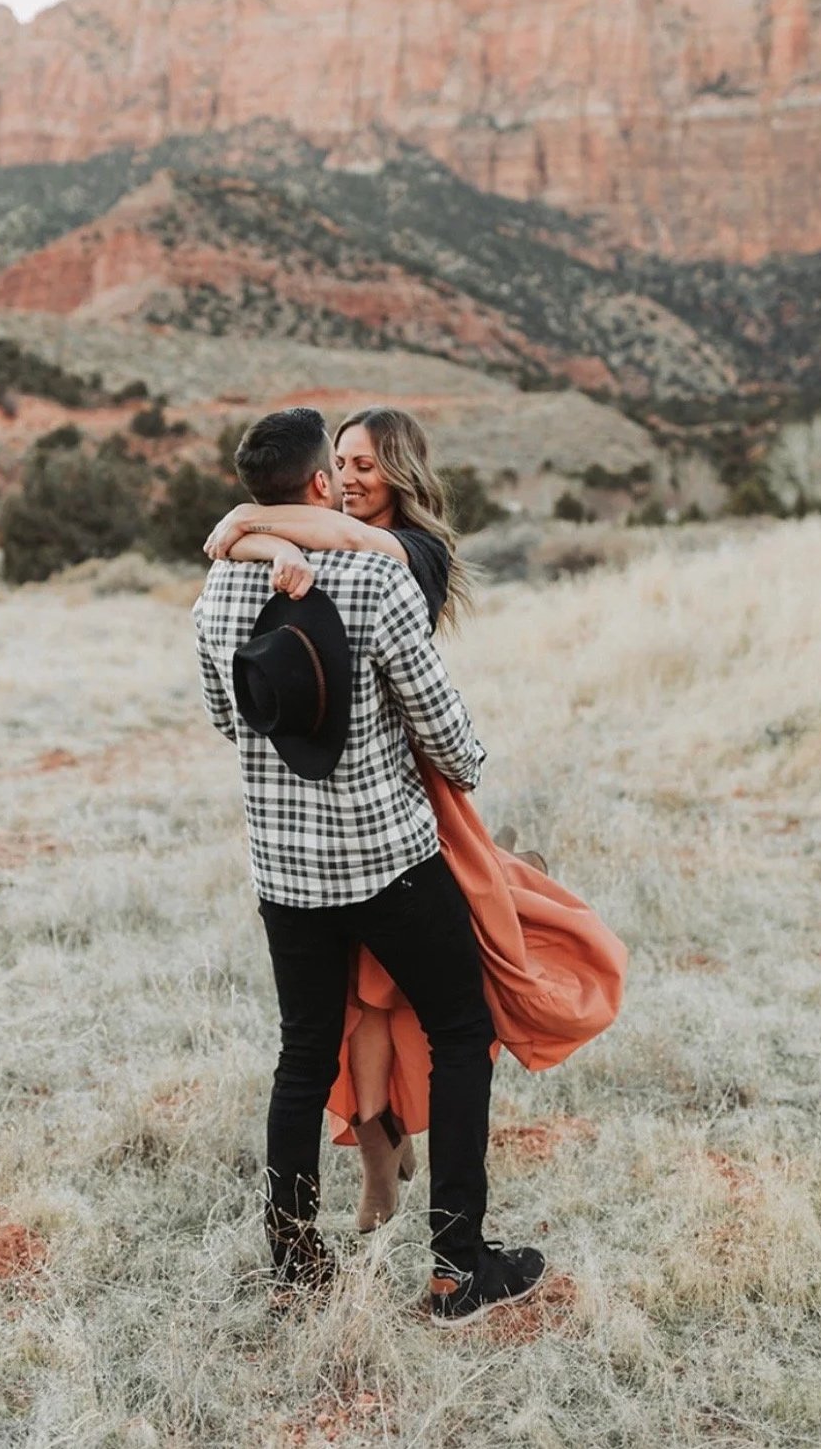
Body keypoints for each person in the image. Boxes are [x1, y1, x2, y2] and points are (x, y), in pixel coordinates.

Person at [205, 406, 628, 1234]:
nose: (350, 477)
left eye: (366, 463)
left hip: (287, 868)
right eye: (341, 464)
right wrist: (464, 767)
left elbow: (231, 718)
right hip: (386, 847)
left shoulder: (228, 585)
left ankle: (295, 1256)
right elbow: (440, 727)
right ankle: (456, 1258)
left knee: (305, 1048)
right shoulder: (370, 578)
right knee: (455, 1029)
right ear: (320, 478)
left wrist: (247, 529)